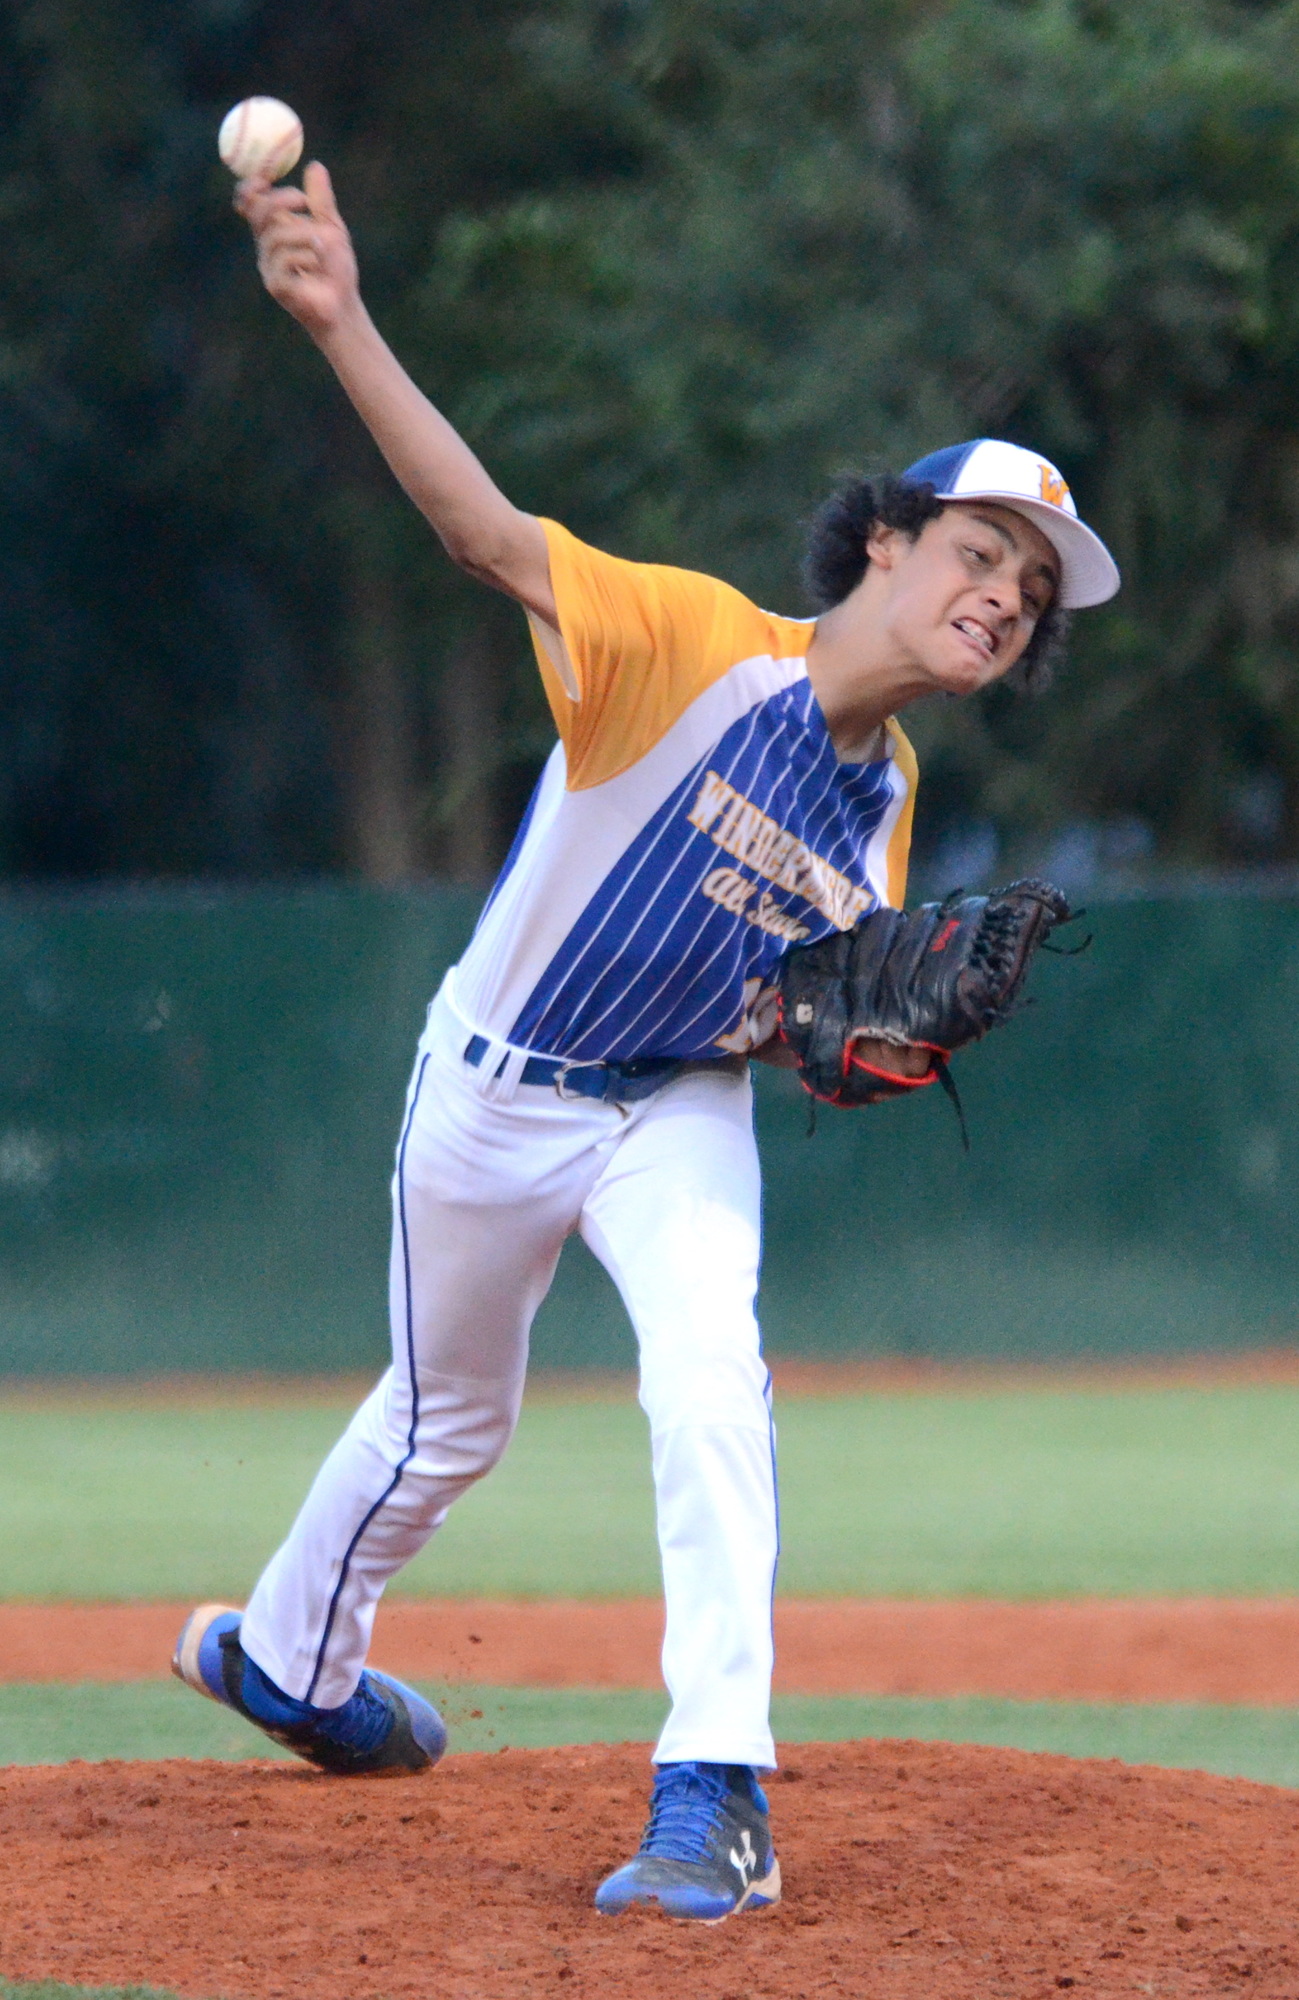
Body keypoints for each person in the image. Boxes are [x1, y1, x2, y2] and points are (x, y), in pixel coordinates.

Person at [173, 160, 1120, 1921]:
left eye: (1031, 596)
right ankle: (289, 1664)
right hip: (493, 1086)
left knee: (708, 1369)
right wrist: (339, 318)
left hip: (668, 1109)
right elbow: (484, 537)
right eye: (984, 554)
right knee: (449, 1421)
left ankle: (718, 1793)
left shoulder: (889, 799)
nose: (1004, 598)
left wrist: (819, 1036)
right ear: (890, 545)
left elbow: (773, 1007)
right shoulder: (688, 645)